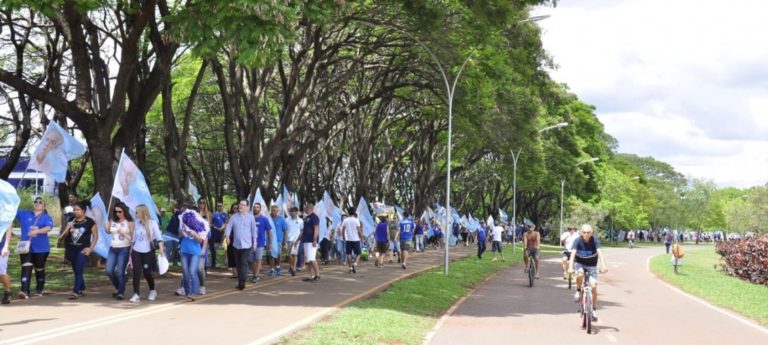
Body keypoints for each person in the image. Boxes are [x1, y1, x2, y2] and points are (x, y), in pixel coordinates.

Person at [15, 196, 54, 299]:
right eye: (36, 201)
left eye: (40, 202)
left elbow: (48, 228)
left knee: (39, 269)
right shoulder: (23, 214)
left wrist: (36, 231)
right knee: (26, 267)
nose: (37, 203)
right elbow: (10, 210)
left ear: (44, 206)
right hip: (25, 246)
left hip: (42, 248)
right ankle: (24, 291)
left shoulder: (46, 217)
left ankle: (39, 289)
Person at [568, 224, 608, 322]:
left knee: (593, 286)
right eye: (584, 232)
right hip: (580, 263)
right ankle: (578, 290)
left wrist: (603, 265)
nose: (586, 234)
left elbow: (599, 252)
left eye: (588, 232)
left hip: (591, 266)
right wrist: (570, 267)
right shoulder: (577, 241)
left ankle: (593, 310)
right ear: (581, 233)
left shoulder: (595, 240)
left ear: (591, 233)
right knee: (580, 275)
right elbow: (573, 253)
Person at [61, 200, 98, 300]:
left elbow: (95, 236)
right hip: (71, 248)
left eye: (78, 210)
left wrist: (90, 248)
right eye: (74, 210)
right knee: (76, 270)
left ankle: (75, 291)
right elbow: (64, 235)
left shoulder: (90, 222)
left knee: (78, 269)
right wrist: (68, 228)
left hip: (83, 249)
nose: (75, 211)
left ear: (83, 211)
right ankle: (82, 288)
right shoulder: (71, 220)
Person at [129, 204, 164, 303]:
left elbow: (159, 238)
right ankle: (136, 294)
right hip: (136, 251)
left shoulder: (152, 223)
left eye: (137, 212)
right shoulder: (137, 223)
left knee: (147, 272)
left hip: (148, 252)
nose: (135, 214)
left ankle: (152, 290)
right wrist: (130, 251)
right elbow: (133, 239)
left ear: (142, 212)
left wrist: (161, 251)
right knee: (136, 272)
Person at [224, 200, 258, 290]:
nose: (240, 206)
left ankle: (242, 282)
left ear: (247, 207)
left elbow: (254, 231)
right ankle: (240, 281)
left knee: (243, 263)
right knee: (238, 264)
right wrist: (227, 237)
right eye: (240, 204)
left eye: (243, 205)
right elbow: (229, 227)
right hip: (236, 245)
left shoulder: (251, 217)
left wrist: (255, 243)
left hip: (247, 245)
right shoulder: (234, 217)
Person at [104, 202, 134, 300]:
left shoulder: (130, 222)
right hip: (113, 247)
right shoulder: (113, 220)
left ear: (124, 211)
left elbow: (133, 238)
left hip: (124, 248)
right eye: (116, 212)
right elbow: (108, 232)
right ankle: (119, 286)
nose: (118, 214)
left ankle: (120, 292)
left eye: (120, 211)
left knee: (120, 271)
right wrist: (106, 227)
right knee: (109, 270)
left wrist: (123, 233)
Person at [179, 207, 208, 301]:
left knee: (192, 271)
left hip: (195, 252)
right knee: (185, 272)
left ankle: (193, 293)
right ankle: (188, 292)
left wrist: (194, 235)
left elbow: (200, 240)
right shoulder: (183, 221)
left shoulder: (200, 225)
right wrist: (183, 233)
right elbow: (179, 234)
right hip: (184, 250)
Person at [250, 203, 272, 283]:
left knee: (258, 259)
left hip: (260, 243)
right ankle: (255, 273)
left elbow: (270, 231)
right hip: (249, 243)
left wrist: (270, 242)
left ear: (260, 209)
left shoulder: (264, 219)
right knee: (250, 260)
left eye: (257, 207)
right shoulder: (249, 218)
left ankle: (256, 276)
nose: (255, 208)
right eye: (254, 207)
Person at [298, 204, 320, 282]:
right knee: (308, 259)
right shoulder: (307, 218)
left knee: (312, 258)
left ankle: (317, 275)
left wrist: (314, 240)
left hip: (312, 241)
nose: (304, 210)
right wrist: (298, 239)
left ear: (309, 208)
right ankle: (311, 275)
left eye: (305, 208)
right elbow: (303, 230)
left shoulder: (314, 217)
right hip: (306, 240)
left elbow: (316, 229)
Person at [341, 208, 363, 274]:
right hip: (356, 239)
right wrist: (361, 237)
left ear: (348, 212)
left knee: (348, 254)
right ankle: (355, 264)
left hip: (348, 239)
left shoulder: (345, 220)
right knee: (358, 253)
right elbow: (359, 231)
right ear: (354, 213)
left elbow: (343, 230)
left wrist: (344, 237)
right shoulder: (356, 220)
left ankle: (350, 268)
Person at [269, 205, 288, 276]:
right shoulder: (268, 218)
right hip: (270, 240)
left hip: (278, 240)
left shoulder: (281, 219)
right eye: (273, 210)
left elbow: (285, 230)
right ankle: (272, 269)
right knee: (271, 255)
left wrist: (285, 241)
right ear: (271, 210)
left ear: (278, 211)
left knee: (278, 254)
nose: (274, 212)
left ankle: (278, 267)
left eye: (276, 210)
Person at [285, 207, 303, 276]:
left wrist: (298, 240)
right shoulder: (286, 220)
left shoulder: (300, 220)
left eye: (293, 211)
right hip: (289, 239)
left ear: (296, 212)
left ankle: (294, 268)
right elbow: (285, 230)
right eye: (290, 211)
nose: (291, 213)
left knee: (294, 254)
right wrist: (285, 240)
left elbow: (302, 231)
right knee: (289, 255)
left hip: (296, 240)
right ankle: (291, 266)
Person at [211, 203, 228, 269]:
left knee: (224, 249)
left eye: (220, 206)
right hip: (215, 234)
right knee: (216, 249)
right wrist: (216, 228)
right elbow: (211, 223)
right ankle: (217, 263)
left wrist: (222, 228)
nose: (219, 207)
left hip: (223, 234)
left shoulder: (225, 214)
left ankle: (224, 263)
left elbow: (226, 223)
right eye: (218, 206)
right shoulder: (214, 214)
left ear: (222, 207)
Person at [1, 225, 12, 304]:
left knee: (1, 272)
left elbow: (8, 231)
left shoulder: (6, 215)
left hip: (1, 248)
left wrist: (6, 246)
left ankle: (7, 292)